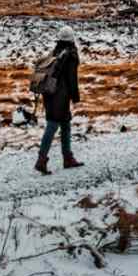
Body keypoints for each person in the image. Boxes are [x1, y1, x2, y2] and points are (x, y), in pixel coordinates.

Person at [35, 26, 84, 175]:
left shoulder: (55, 52)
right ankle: (41, 160)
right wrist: (75, 97)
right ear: (72, 38)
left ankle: (67, 158)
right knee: (53, 125)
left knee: (65, 124)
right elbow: (72, 79)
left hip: (49, 93)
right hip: (60, 95)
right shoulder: (70, 54)